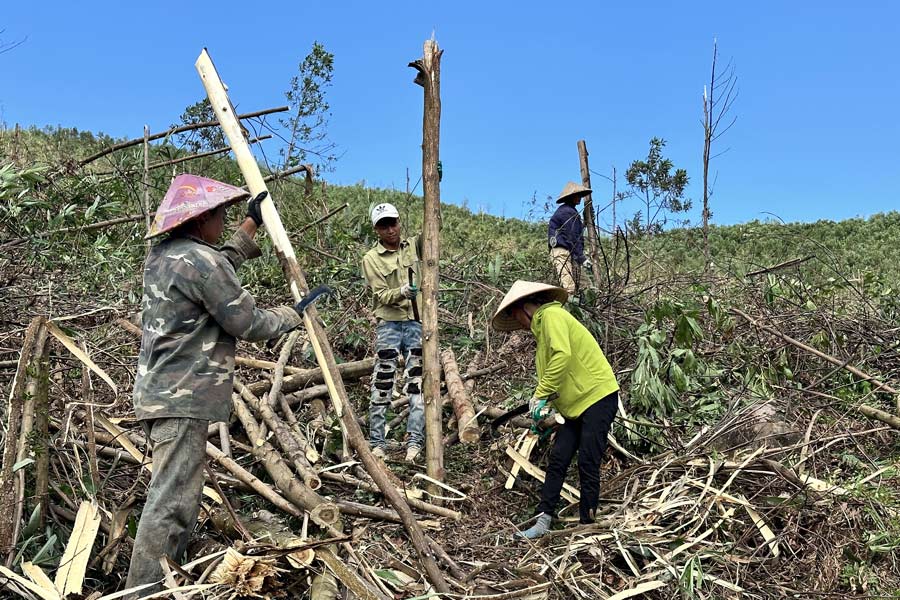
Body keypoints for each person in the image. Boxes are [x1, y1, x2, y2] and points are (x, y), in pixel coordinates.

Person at [126, 174, 304, 596]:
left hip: (160, 395)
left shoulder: (164, 255)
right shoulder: (201, 264)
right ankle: (141, 594)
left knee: (174, 497)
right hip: (183, 396)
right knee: (171, 504)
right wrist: (294, 314)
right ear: (202, 218)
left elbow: (214, 265)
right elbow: (248, 322)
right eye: (221, 216)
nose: (223, 222)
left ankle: (159, 585)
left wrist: (249, 226)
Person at [492, 280, 618, 539]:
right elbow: (554, 379)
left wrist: (539, 395)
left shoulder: (551, 315)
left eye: (516, 316)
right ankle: (543, 520)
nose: (519, 323)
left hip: (598, 397)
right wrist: (542, 409)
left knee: (588, 460)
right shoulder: (541, 337)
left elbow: (563, 355)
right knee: (558, 458)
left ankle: (587, 523)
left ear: (525, 307)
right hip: (574, 408)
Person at [361, 202, 425, 463]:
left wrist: (437, 185)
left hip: (416, 323)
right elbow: (380, 296)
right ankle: (378, 442)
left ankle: (415, 441)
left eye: (393, 223)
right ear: (376, 229)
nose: (390, 230)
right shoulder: (371, 259)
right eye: (384, 225)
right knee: (383, 382)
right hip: (389, 324)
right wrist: (401, 292)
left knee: (417, 383)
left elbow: (435, 225)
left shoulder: (414, 246)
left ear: (399, 222)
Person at [548, 182, 591, 294]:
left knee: (585, 285)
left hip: (571, 251)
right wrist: (582, 257)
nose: (579, 198)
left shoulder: (572, 212)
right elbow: (571, 236)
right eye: (576, 195)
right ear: (570, 197)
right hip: (561, 251)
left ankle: (588, 308)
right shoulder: (566, 212)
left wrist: (586, 221)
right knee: (569, 287)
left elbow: (577, 232)